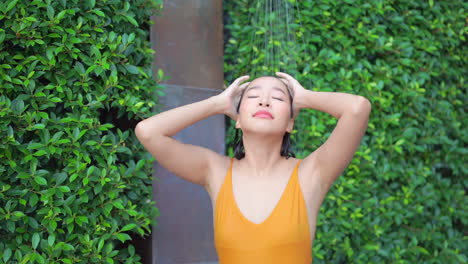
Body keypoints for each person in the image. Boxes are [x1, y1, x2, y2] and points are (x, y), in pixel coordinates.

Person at [135, 72, 371, 264]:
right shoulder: (214, 171)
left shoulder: (313, 173)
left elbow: (357, 108)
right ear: (237, 118)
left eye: (278, 98)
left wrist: (305, 97)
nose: (264, 101)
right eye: (253, 96)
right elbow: (148, 132)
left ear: (290, 122)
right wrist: (217, 103)